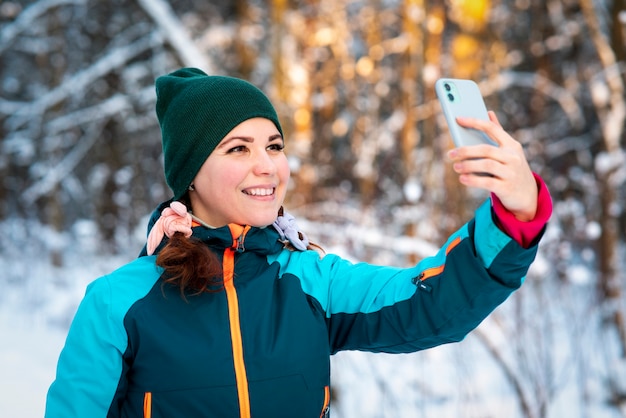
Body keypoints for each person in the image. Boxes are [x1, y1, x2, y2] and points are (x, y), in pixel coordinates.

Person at [45, 67, 552, 418]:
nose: (266, 165)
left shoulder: (307, 280)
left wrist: (516, 215)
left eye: (274, 145)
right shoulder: (119, 303)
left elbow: (432, 304)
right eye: (237, 148)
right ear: (190, 175)